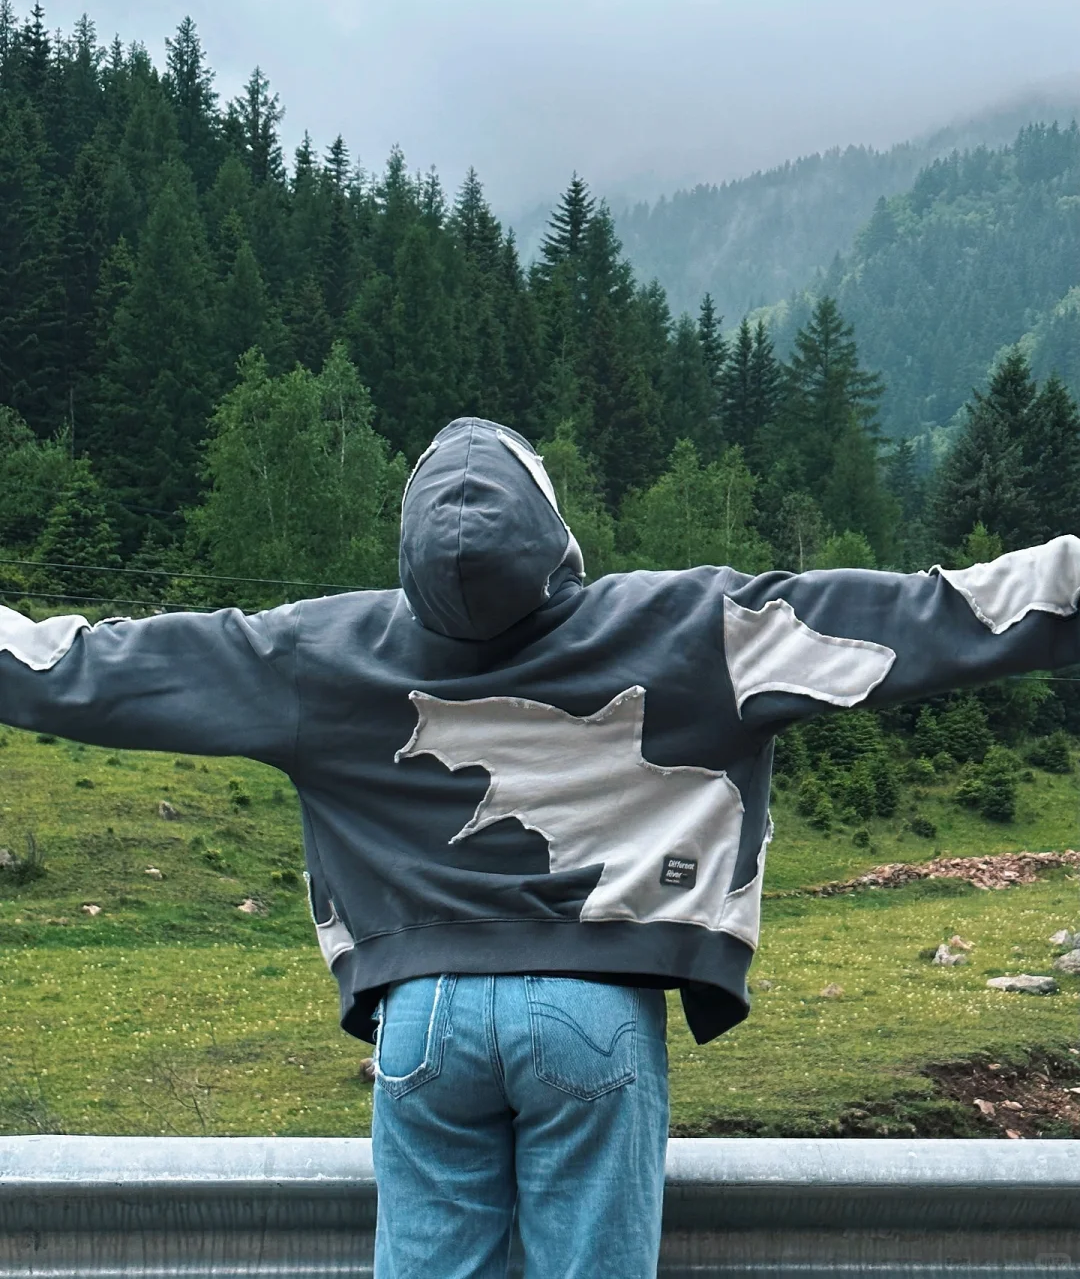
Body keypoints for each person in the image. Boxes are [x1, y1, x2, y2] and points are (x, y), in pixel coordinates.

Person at [2, 414, 1079, 1278]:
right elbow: (944, 617)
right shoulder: (694, 623)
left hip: (420, 1020)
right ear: (556, 533)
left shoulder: (316, 650)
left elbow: (89, 670)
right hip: (595, 1011)